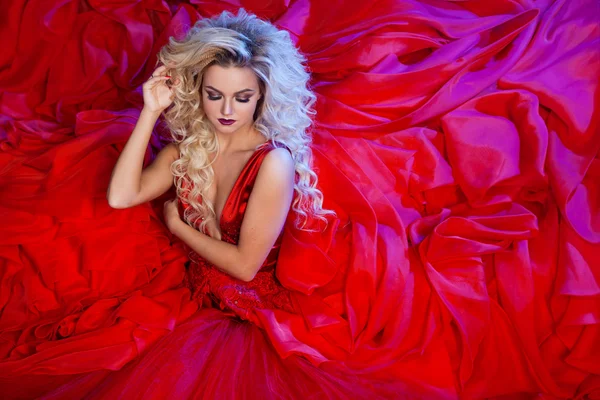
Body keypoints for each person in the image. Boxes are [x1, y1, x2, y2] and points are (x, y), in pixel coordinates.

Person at [85, 9, 394, 400]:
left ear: (262, 95)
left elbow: (246, 267)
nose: (227, 111)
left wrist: (177, 225)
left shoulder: (272, 161)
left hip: (251, 317)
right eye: (214, 95)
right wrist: (150, 111)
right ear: (198, 91)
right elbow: (121, 197)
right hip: (193, 298)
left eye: (242, 97)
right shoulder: (188, 150)